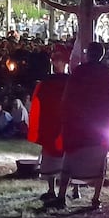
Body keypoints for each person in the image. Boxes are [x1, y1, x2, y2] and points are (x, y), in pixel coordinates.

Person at [46, 42, 109, 211]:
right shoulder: (106, 72)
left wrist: (66, 119)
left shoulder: (79, 71)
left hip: (78, 126)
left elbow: (68, 97)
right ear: (101, 55)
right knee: (99, 162)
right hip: (98, 127)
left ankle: (62, 196)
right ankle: (95, 199)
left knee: (69, 162)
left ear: (88, 54)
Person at [27, 50, 70, 201]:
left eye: (59, 61)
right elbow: (39, 102)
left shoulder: (70, 81)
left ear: (66, 63)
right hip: (49, 122)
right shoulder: (46, 82)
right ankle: (51, 190)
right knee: (50, 157)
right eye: (54, 61)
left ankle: (67, 191)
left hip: (65, 124)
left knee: (67, 159)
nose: (56, 64)